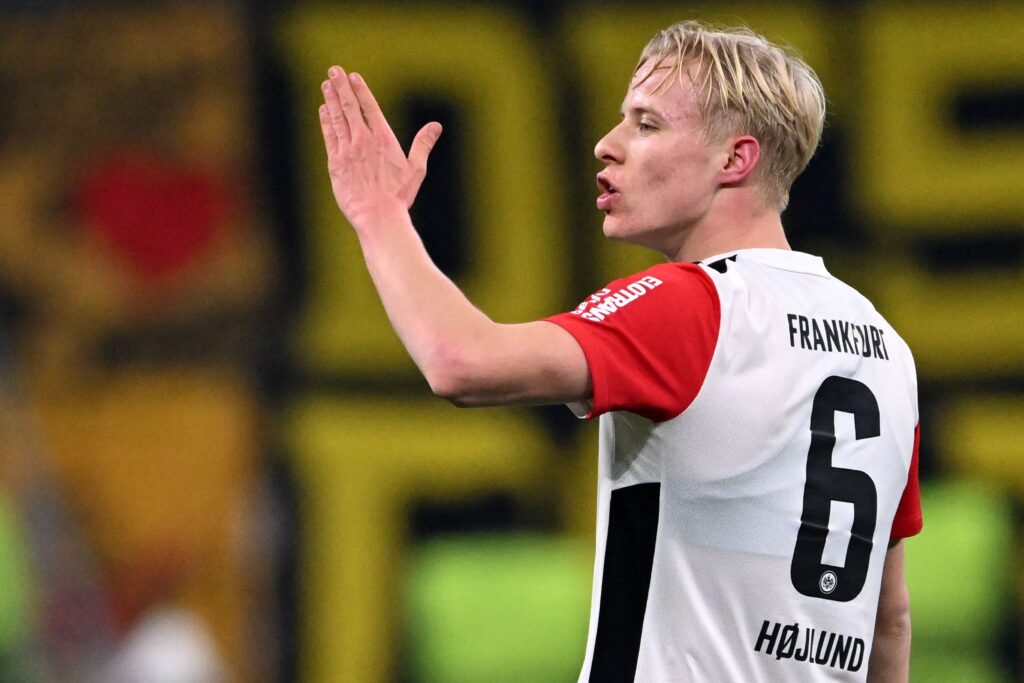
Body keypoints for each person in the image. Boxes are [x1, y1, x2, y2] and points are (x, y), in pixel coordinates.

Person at [317, 19, 921, 683]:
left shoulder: (693, 305)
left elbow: (461, 361)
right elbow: (888, 616)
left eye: (647, 123)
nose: (607, 145)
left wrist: (379, 218)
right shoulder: (885, 347)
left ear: (734, 159)